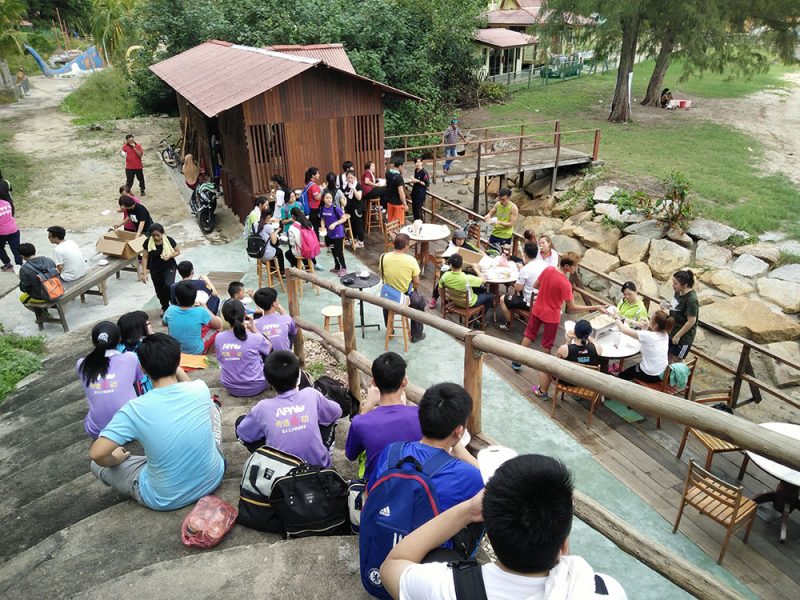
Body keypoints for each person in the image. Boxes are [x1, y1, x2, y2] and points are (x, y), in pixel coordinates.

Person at [380, 454, 628, 600]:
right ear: (564, 544)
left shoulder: (448, 587)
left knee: (439, 555)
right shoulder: (605, 591)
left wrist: (467, 511)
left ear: (492, 535)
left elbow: (391, 566)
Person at [89, 333, 225, 511]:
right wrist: (173, 364)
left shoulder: (134, 409)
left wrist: (117, 458)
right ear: (178, 362)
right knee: (212, 408)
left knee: (96, 465)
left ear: (143, 369)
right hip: (213, 477)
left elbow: (97, 454)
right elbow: (187, 384)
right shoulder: (199, 388)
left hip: (165, 497)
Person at [368, 382, 484, 520]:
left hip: (380, 537)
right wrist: (463, 454)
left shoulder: (392, 450)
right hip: (430, 542)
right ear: (459, 431)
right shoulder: (465, 474)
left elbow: (370, 493)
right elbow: (495, 485)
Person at [512, 253, 607, 396]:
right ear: (567, 266)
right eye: (575, 266)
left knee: (529, 334)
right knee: (547, 345)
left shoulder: (549, 270)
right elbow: (572, 308)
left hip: (538, 307)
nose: (577, 268)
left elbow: (536, 285)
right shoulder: (566, 284)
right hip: (551, 315)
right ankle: (543, 378)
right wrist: (594, 307)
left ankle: (516, 361)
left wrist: (546, 292)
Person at [234, 350, 342, 464]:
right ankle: (323, 454)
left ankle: (266, 459)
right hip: (319, 468)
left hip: (280, 475)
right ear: (298, 378)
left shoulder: (262, 408)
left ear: (269, 382)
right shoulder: (311, 394)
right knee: (328, 415)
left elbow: (244, 434)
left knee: (240, 423)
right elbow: (337, 412)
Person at [345, 352, 421, 483]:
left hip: (378, 492)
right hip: (416, 487)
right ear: (404, 381)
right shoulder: (421, 415)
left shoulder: (361, 422)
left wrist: (367, 407)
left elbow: (350, 455)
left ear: (373, 383)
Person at [78, 321, 143, 439]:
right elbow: (138, 382)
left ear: (94, 342)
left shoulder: (82, 364)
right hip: (131, 428)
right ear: (119, 340)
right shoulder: (130, 358)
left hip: (97, 431)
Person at [215, 299, 271, 397]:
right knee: (265, 351)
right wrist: (253, 328)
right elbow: (269, 347)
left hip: (231, 387)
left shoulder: (219, 337)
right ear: (245, 314)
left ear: (225, 317)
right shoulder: (255, 337)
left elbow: (220, 359)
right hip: (256, 386)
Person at [380, 233, 427, 343]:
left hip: (389, 295)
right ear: (406, 246)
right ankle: (416, 335)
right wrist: (412, 289)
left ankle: (389, 329)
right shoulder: (411, 260)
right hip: (405, 296)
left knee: (386, 300)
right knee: (419, 303)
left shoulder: (383, 257)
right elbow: (416, 282)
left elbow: (383, 273)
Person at [538, 319, 605, 395]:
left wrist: (568, 340)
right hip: (587, 381)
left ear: (574, 332)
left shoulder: (565, 349)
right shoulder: (597, 348)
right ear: (589, 334)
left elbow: (555, 362)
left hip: (568, 381)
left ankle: (542, 392)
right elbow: (595, 343)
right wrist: (587, 337)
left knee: (544, 366)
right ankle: (577, 395)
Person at [163, 280, 223, 355]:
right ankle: (207, 355)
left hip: (176, 350)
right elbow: (218, 325)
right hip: (196, 351)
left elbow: (164, 323)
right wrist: (206, 308)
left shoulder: (170, 309)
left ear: (177, 298)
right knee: (217, 326)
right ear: (195, 297)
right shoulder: (201, 311)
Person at [616, 310, 673, 383]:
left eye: (651, 319)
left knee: (624, 374)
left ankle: (615, 386)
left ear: (655, 325)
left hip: (650, 374)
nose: (649, 320)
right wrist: (644, 326)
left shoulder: (649, 336)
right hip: (662, 372)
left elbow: (623, 329)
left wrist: (617, 318)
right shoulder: (665, 334)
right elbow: (646, 337)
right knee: (634, 368)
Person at [499, 241, 544, 331]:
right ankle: (518, 315)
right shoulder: (543, 264)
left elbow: (517, 288)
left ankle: (508, 324)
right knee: (519, 293)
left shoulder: (526, 269)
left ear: (525, 254)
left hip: (530, 302)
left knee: (502, 299)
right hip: (542, 298)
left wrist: (521, 272)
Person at [140, 223, 179, 315]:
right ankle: (165, 307)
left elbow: (177, 251)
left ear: (162, 233)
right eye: (153, 236)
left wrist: (170, 255)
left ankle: (175, 304)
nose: (156, 237)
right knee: (159, 290)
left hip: (169, 266)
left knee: (168, 285)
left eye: (158, 235)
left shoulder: (169, 240)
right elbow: (145, 257)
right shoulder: (147, 242)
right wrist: (144, 273)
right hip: (155, 269)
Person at [664, 269, 698, 359]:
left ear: (685, 285)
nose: (673, 285)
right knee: (668, 356)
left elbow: (691, 321)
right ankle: (668, 373)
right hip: (673, 330)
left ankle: (680, 373)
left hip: (683, 337)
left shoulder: (691, 299)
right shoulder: (678, 292)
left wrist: (678, 336)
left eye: (675, 283)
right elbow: (676, 306)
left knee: (677, 360)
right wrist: (666, 306)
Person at [253, 287, 297, 352]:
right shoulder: (286, 318)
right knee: (290, 330)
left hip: (267, 358)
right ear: (273, 303)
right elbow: (293, 332)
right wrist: (283, 312)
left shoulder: (255, 324)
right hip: (286, 357)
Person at [320, 190, 349, 275]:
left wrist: (335, 223)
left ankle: (344, 268)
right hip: (329, 234)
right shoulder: (322, 208)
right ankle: (337, 266)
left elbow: (344, 218)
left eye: (330, 198)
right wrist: (322, 227)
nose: (329, 200)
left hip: (338, 233)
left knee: (339, 251)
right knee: (332, 250)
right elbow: (322, 219)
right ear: (323, 199)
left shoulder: (336, 208)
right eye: (327, 198)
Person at [252, 208, 286, 275]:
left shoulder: (254, 225)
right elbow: (273, 241)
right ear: (269, 216)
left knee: (273, 250)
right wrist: (276, 232)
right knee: (279, 251)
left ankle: (272, 268)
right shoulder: (268, 227)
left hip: (257, 252)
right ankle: (282, 271)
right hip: (266, 253)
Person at [342, 170, 365, 248]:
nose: (349, 179)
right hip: (350, 208)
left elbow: (359, 197)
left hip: (357, 208)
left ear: (354, 177)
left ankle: (361, 242)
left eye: (351, 178)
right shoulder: (346, 186)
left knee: (358, 225)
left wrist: (353, 189)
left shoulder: (358, 185)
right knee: (352, 224)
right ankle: (353, 239)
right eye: (348, 178)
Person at [0, 193, 21, 272]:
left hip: (1, 232)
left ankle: (8, 264)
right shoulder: (6, 203)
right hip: (13, 229)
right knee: (16, 248)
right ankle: (19, 265)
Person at [385, 159, 408, 225]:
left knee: (391, 222)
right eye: (403, 166)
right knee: (399, 224)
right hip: (398, 203)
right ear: (400, 166)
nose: (403, 168)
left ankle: (390, 234)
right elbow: (401, 192)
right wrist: (405, 204)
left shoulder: (388, 173)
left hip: (390, 202)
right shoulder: (399, 178)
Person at [303, 167, 323, 231]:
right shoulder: (313, 185)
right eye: (318, 173)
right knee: (316, 226)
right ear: (313, 176)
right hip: (315, 208)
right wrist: (322, 190)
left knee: (312, 225)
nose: (319, 175)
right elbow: (317, 198)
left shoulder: (308, 183)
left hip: (311, 207)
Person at [410, 158, 429, 222]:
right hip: (415, 192)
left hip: (420, 193)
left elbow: (426, 183)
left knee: (419, 210)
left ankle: (420, 223)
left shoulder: (424, 172)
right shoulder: (416, 170)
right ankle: (415, 222)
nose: (417, 164)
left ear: (421, 162)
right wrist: (413, 178)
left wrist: (418, 181)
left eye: (419, 162)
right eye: (416, 162)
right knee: (414, 209)